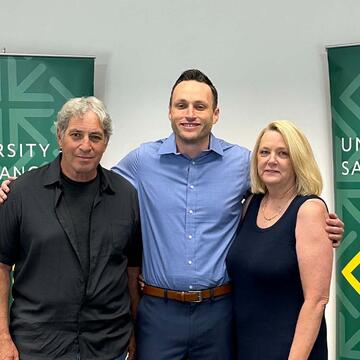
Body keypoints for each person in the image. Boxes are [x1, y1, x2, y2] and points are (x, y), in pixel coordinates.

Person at [0, 70, 344, 360]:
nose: (190, 113)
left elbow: (283, 191)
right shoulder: (141, 161)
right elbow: (87, 178)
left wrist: (321, 219)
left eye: (200, 106)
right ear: (169, 112)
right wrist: (20, 186)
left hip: (219, 312)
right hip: (158, 312)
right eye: (181, 105)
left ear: (216, 113)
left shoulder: (244, 163)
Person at [0, 97, 142, 360]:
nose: (85, 146)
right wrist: (2, 337)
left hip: (108, 345)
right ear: (60, 136)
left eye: (95, 137)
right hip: (37, 347)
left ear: (105, 143)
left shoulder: (126, 196)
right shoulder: (20, 194)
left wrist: (133, 332)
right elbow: (1, 266)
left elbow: (132, 272)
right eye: (76, 135)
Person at [226, 120, 333, 359]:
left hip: (290, 350)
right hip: (245, 347)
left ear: (298, 161)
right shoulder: (251, 204)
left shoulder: (309, 210)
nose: (271, 160)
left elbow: (316, 300)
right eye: (264, 152)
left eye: (283, 153)